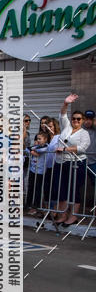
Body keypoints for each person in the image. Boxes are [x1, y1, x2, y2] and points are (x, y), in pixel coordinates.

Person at [52, 94, 90, 227]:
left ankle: (73, 216)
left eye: (78, 119)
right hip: (61, 162)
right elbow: (62, 115)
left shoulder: (84, 133)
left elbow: (82, 148)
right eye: (74, 118)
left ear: (83, 120)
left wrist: (65, 149)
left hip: (76, 163)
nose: (75, 120)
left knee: (74, 189)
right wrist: (66, 103)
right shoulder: (67, 127)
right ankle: (63, 215)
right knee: (61, 189)